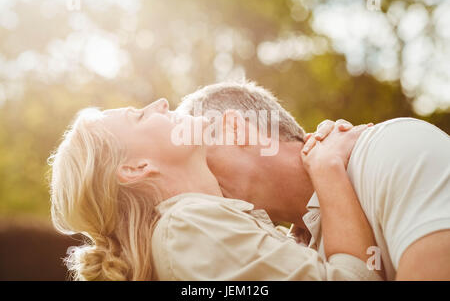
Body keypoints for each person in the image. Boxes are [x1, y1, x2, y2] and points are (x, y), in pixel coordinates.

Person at [49, 98, 381, 281]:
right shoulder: (189, 227)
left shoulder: (194, 229)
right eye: (140, 116)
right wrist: (327, 169)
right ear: (136, 168)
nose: (162, 103)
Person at [177, 80, 450, 280]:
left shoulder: (394, 150)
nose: (194, 182)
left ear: (235, 130)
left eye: (196, 155)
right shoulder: (294, 260)